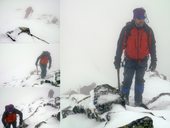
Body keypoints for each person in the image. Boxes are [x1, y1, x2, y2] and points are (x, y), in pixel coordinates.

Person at [114, 8, 157, 106]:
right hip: (130, 60)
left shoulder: (148, 31)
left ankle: (138, 101)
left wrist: (154, 60)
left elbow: (152, 47)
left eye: (143, 17)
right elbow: (120, 45)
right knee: (127, 81)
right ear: (134, 18)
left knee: (140, 81)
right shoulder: (127, 30)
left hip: (142, 61)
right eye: (139, 17)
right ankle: (124, 100)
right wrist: (117, 58)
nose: (141, 20)